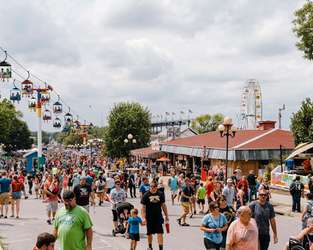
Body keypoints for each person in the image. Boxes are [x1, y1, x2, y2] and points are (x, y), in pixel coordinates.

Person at [141, 180, 169, 250]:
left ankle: (161, 248)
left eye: (155, 186)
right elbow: (143, 208)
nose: (153, 188)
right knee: (149, 233)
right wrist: (143, 218)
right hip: (149, 217)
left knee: (160, 232)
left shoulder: (160, 194)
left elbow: (163, 205)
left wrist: (166, 216)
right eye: (152, 186)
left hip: (158, 216)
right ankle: (150, 246)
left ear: (157, 187)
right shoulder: (146, 195)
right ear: (150, 187)